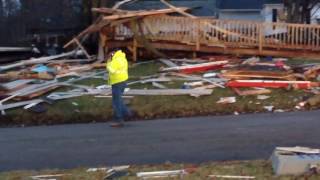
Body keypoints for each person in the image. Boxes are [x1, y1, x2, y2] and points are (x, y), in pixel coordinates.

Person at [106, 50, 132, 127]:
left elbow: (111, 70)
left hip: (117, 82)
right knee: (118, 100)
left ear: (112, 54)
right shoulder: (123, 59)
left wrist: (108, 62)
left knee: (116, 102)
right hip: (123, 81)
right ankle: (127, 113)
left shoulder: (115, 61)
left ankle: (119, 119)